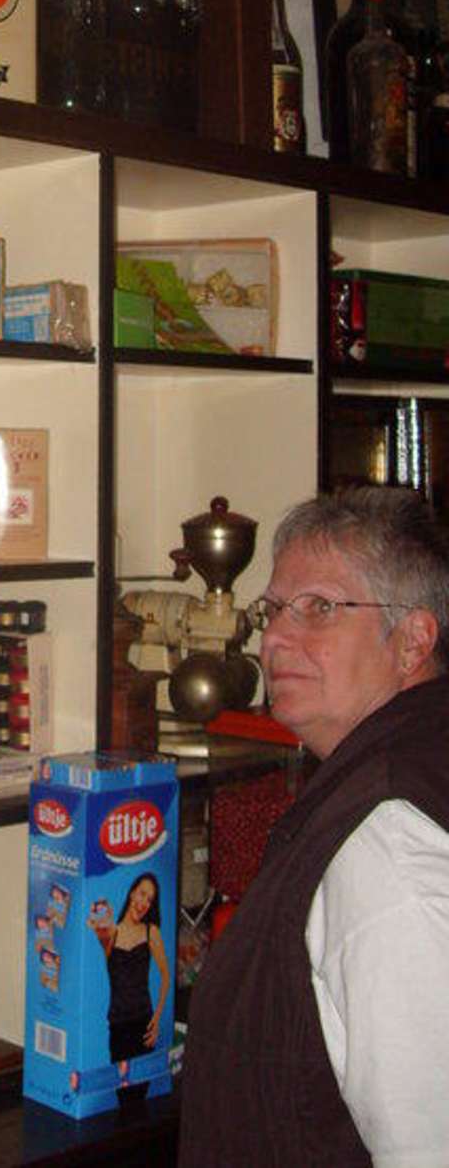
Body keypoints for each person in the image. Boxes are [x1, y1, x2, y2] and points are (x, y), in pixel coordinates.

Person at [180, 486, 449, 1167]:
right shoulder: (392, 770)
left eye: (320, 608)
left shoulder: (386, 841)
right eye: (273, 610)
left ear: (413, 640)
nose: (274, 637)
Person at [89, 872, 170, 1064]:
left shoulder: (151, 932)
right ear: (132, 893)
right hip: (117, 1025)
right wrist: (99, 928)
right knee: (121, 1081)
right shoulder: (112, 933)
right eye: (142, 894)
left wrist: (157, 1019)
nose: (144, 903)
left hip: (144, 1023)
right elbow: (102, 936)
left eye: (149, 899)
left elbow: (166, 976)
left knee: (142, 1081)